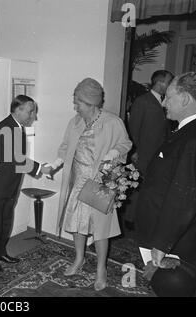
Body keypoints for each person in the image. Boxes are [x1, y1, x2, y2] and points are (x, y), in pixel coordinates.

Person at [52, 78, 132, 291]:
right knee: (77, 223)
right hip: (78, 180)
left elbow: (125, 143)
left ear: (91, 103)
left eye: (78, 102)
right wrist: (57, 162)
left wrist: (114, 152)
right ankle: (79, 259)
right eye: (75, 101)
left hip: (99, 182)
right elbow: (65, 145)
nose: (75, 106)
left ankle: (100, 270)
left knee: (100, 229)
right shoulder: (75, 121)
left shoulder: (112, 122)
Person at [135, 72, 196, 275]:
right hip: (180, 233)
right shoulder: (192, 130)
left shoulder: (193, 139)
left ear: (184, 98)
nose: (164, 103)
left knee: (173, 286)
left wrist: (161, 244)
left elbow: (184, 196)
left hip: (178, 241)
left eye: (168, 97)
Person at [0, 95, 53, 273]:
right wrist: (41, 168)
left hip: (8, 183)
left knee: (5, 222)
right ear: (17, 110)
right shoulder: (5, 127)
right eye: (30, 111)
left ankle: (1, 252)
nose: (33, 116)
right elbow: (15, 158)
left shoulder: (17, 127)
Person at [125, 71, 174, 227]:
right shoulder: (143, 101)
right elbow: (133, 128)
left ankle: (143, 218)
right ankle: (130, 219)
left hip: (158, 153)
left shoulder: (165, 102)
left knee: (151, 187)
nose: (171, 85)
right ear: (160, 83)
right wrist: (134, 151)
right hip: (142, 153)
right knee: (136, 186)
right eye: (169, 82)